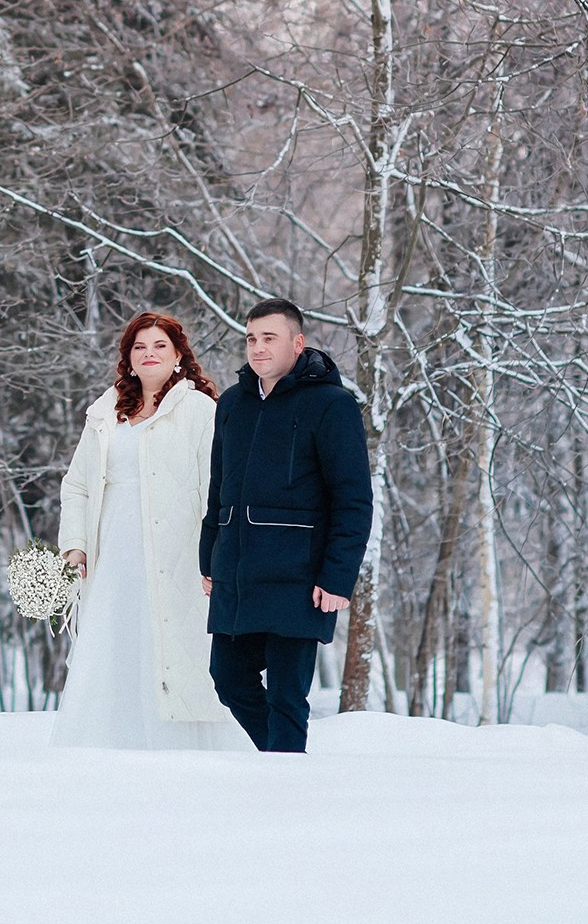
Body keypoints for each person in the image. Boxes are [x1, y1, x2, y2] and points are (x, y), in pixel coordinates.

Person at [51, 313, 241, 750]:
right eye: (139, 347)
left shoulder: (200, 411)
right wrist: (76, 546)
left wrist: (216, 557)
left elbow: (218, 489)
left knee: (173, 649)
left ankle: (178, 755)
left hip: (178, 554)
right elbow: (77, 485)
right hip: (113, 554)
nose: (149, 354)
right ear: (128, 358)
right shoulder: (104, 413)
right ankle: (105, 754)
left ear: (178, 356)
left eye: (159, 346)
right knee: (113, 644)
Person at [199, 298, 373, 753]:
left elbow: (353, 500)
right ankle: (279, 761)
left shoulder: (332, 405)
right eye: (251, 338)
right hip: (238, 573)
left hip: (300, 577)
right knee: (228, 679)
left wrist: (337, 577)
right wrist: (209, 558)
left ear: (297, 343)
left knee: (286, 697)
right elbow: (219, 489)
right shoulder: (232, 403)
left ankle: (285, 777)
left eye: (269, 338)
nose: (257, 347)